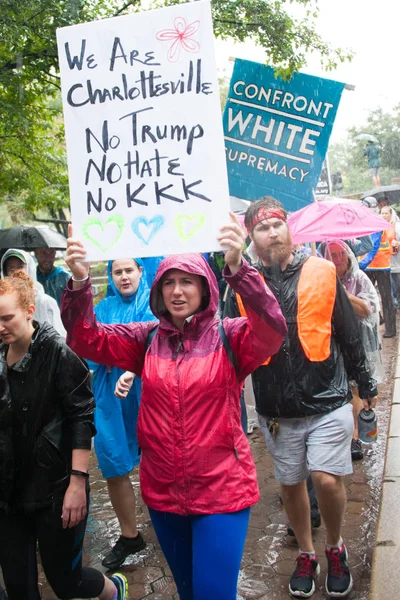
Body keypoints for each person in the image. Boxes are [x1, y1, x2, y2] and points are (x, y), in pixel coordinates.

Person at [60, 214, 287, 600]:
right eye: (169, 282)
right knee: (188, 593)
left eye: (187, 281)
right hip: (164, 494)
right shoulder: (145, 339)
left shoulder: (229, 336)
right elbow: (85, 338)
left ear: (204, 288)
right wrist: (80, 281)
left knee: (213, 594)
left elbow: (272, 329)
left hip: (222, 492)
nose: (177, 291)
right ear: (159, 290)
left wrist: (237, 267)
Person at [235, 197, 377, 598]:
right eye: (263, 227)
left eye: (278, 224)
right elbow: (232, 342)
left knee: (325, 479)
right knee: (291, 484)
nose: (273, 232)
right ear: (252, 236)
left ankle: (335, 546)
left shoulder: (322, 270)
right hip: (276, 408)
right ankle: (307, 554)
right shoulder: (244, 283)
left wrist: (364, 387)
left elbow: (348, 333)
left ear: (289, 228)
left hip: (328, 398)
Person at [0, 271, 128, 600]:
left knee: (65, 582)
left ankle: (113, 590)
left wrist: (77, 483)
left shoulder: (58, 352)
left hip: (56, 487)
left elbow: (81, 416)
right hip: (9, 490)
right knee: (19, 587)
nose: (0, 326)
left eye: (7, 318)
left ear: (30, 311)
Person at [91, 258, 155, 570]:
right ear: (110, 275)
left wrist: (132, 368)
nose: (124, 276)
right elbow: (92, 344)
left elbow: (157, 341)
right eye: (117, 271)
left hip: (148, 389)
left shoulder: (154, 301)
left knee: (157, 459)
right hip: (110, 393)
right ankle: (130, 534)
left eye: (130, 270)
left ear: (141, 271)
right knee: (114, 462)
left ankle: (169, 520)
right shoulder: (102, 309)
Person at [323, 240, 384, 461]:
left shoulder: (358, 279)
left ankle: (355, 438)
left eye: (341, 254)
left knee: (357, 390)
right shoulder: (319, 279)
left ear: (348, 255)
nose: (338, 258)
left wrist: (340, 293)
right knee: (342, 390)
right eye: (332, 254)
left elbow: (368, 309)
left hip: (358, 344)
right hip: (331, 345)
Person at [1, 248, 66, 337]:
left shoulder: (45, 302)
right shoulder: (4, 304)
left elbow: (59, 340)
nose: (16, 272)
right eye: (11, 269)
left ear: (30, 268)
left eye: (20, 267)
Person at [359, 197, 396, 338]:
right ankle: (378, 321)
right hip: (371, 266)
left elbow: (373, 247)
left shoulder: (374, 223)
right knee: (369, 297)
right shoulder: (366, 222)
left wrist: (361, 265)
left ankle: (390, 329)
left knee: (384, 298)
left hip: (379, 266)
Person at [380, 205, 400, 308]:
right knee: (389, 286)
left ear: (391, 214)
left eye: (386, 213)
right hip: (385, 263)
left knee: (397, 285)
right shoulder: (379, 228)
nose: (383, 215)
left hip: (396, 262)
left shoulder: (397, 226)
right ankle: (393, 304)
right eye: (382, 213)